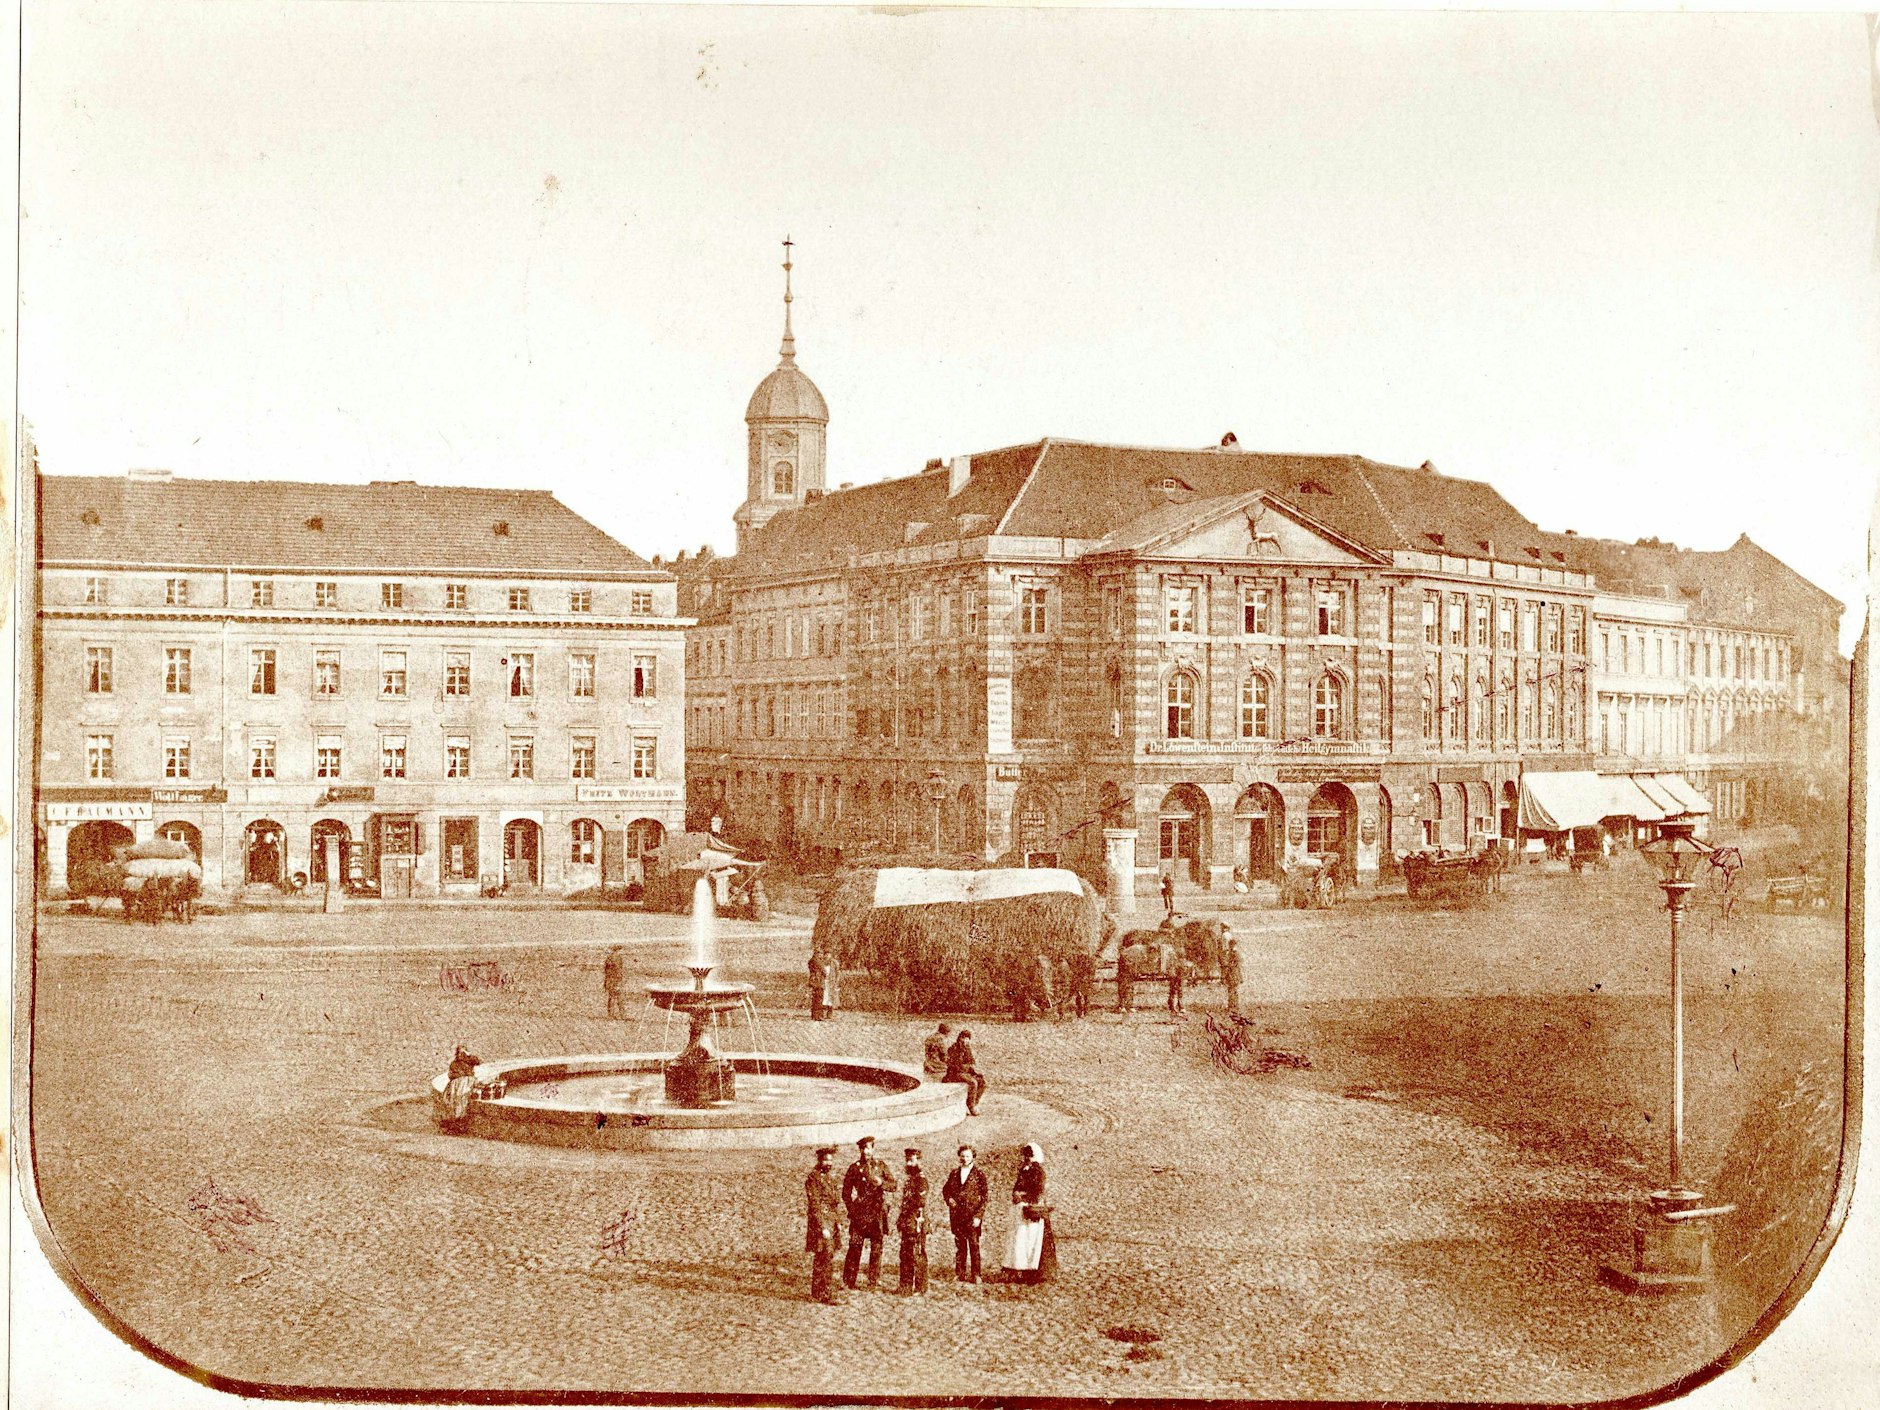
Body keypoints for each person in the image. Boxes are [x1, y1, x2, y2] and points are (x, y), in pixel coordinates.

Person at [841, 1136, 898, 1289]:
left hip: (877, 1212)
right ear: (860, 1150)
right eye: (863, 1148)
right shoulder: (854, 1168)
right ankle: (849, 1280)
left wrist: (882, 1183)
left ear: (873, 1149)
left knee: (877, 1247)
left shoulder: (881, 1166)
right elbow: (846, 1192)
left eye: (869, 1148)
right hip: (860, 1213)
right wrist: (852, 1209)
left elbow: (893, 1185)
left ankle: (873, 1279)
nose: (866, 1151)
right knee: (855, 1245)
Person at [999, 1143, 1057, 1285]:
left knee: (1032, 1241)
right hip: (1020, 1210)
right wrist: (1015, 1194)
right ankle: (1021, 1270)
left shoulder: (1038, 1171)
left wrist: (1022, 1196)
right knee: (1020, 1241)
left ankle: (1034, 1273)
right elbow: (1017, 1186)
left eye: (1029, 1155)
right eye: (1025, 1155)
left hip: (1031, 1210)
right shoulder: (1023, 1170)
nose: (1027, 1158)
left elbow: (1038, 1191)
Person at [941, 1144, 989, 1283]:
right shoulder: (954, 1173)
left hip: (972, 1216)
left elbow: (985, 1198)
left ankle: (976, 1274)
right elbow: (946, 1190)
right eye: (962, 1156)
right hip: (957, 1215)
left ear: (973, 1157)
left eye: (967, 1156)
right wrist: (949, 1199)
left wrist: (978, 1216)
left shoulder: (979, 1175)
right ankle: (960, 1273)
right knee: (960, 1245)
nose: (964, 1159)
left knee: (974, 1245)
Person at [804, 1146, 845, 1305]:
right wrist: (823, 1227)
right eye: (826, 1160)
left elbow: (834, 1203)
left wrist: (837, 1222)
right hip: (821, 1223)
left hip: (831, 1221)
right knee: (824, 1256)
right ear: (819, 1160)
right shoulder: (813, 1178)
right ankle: (823, 1292)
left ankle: (820, 1292)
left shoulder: (829, 1178)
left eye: (831, 1160)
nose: (829, 1163)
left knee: (828, 1256)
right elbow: (815, 1205)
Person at [896, 1147, 929, 1295]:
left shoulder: (921, 1180)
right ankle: (905, 1286)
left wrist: (911, 1219)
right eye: (907, 1160)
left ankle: (920, 1288)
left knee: (917, 1254)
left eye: (912, 1160)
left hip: (916, 1222)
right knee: (905, 1254)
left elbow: (920, 1202)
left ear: (919, 1161)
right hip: (907, 1222)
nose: (909, 1163)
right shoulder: (910, 1180)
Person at [944, 1029, 986, 1116]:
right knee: (973, 1082)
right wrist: (965, 1067)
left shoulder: (967, 1049)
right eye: (963, 1038)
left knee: (982, 1082)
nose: (965, 1041)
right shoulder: (953, 1048)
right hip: (954, 1074)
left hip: (965, 1072)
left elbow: (971, 1062)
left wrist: (973, 1071)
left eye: (967, 1039)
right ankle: (971, 1107)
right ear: (960, 1038)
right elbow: (953, 1065)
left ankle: (974, 1103)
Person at [441, 1044, 480, 1131]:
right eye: (459, 1053)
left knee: (460, 1095)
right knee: (449, 1096)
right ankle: (453, 1120)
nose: (460, 1055)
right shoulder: (454, 1063)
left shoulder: (469, 1061)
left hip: (467, 1082)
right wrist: (457, 1077)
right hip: (455, 1083)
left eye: (462, 1053)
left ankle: (459, 1119)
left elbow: (477, 1062)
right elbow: (450, 1075)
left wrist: (468, 1054)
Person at [1068, 949, 1096, 1019]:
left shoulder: (1088, 960)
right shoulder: (1079, 959)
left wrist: (1087, 977)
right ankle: (1080, 1013)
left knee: (1085, 997)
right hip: (1081, 980)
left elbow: (1092, 971)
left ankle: (1084, 1012)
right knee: (1081, 997)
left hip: (1085, 981)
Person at [602, 945, 628, 1020]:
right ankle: (622, 1015)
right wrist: (619, 981)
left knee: (612, 997)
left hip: (609, 980)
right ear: (618, 950)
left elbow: (606, 971)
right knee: (619, 998)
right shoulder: (618, 958)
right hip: (615, 980)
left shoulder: (609, 958)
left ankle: (611, 1015)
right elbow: (618, 971)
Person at [1222, 933, 1243, 1017]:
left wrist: (1225, 975)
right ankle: (1235, 1006)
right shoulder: (1236, 953)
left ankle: (1231, 1007)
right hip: (1236, 974)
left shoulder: (1232, 954)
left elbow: (1230, 965)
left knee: (1231, 991)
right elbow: (1238, 966)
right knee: (1234, 990)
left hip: (1232, 974)